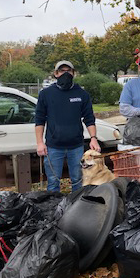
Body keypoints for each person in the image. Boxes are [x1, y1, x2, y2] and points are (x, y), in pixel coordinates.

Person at [35, 60, 100, 192]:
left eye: (68, 71)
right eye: (62, 71)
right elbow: (39, 120)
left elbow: (89, 118)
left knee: (78, 180)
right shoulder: (46, 94)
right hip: (53, 146)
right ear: (56, 74)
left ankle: (77, 207)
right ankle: (54, 209)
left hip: (76, 146)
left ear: (73, 73)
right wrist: (40, 142)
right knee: (53, 182)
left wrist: (93, 138)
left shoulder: (82, 94)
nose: (66, 74)